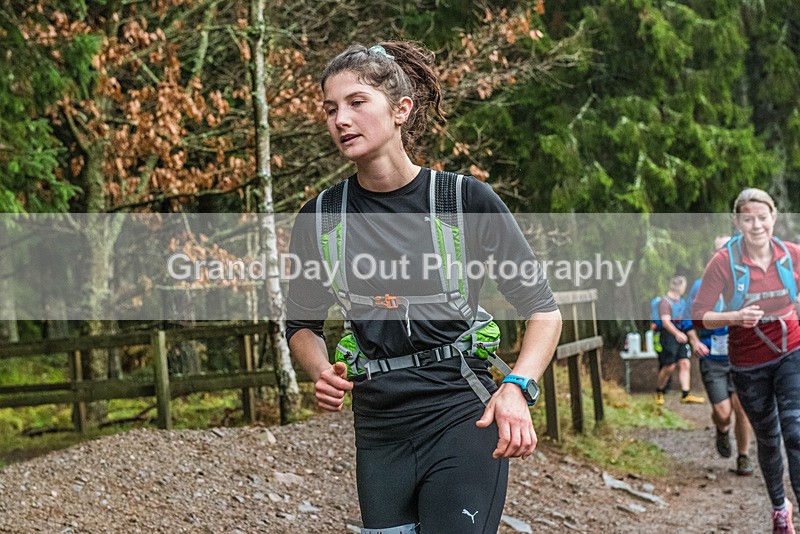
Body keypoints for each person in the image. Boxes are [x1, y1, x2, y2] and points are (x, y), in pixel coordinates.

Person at [284, 41, 562, 534]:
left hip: (461, 411)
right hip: (379, 428)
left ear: (400, 110)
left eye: (356, 102)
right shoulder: (320, 219)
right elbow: (302, 324)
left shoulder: (465, 200)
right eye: (330, 109)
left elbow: (542, 309)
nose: (340, 119)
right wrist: (320, 369)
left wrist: (518, 387)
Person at [692, 188, 800, 534]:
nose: (757, 225)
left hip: (792, 351)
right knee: (768, 439)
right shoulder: (723, 262)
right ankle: (780, 507)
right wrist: (736, 316)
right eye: (748, 219)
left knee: (796, 433)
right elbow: (699, 316)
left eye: (763, 217)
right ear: (738, 222)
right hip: (749, 362)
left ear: (774, 218)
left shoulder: (792, 255)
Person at [686, 236, 753, 476]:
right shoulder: (700, 285)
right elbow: (688, 319)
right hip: (712, 358)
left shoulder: (747, 282)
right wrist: (694, 340)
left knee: (742, 408)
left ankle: (744, 456)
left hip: (741, 356)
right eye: (717, 251)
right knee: (723, 413)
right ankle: (722, 430)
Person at [654, 275, 705, 405]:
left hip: (681, 336)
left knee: (685, 363)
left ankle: (685, 394)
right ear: (680, 286)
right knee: (669, 366)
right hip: (669, 336)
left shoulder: (682, 302)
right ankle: (659, 392)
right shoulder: (665, 302)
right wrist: (677, 333)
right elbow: (666, 322)